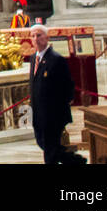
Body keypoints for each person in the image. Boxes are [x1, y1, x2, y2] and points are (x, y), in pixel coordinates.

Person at [28, 24, 79, 164]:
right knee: (43, 143)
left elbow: (68, 85)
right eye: (33, 36)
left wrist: (61, 107)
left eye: (39, 35)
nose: (36, 39)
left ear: (47, 37)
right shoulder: (33, 59)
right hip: (38, 111)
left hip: (53, 113)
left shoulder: (56, 59)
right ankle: (74, 161)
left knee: (50, 149)